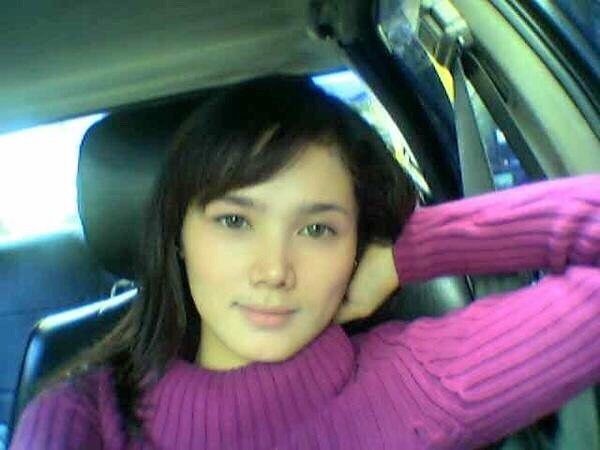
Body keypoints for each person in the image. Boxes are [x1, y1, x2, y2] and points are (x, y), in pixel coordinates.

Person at [9, 76, 600, 450]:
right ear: (179, 235)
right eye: (234, 221)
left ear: (353, 245)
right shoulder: (81, 416)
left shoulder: (418, 378)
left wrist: (403, 254)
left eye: (318, 229)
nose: (274, 271)